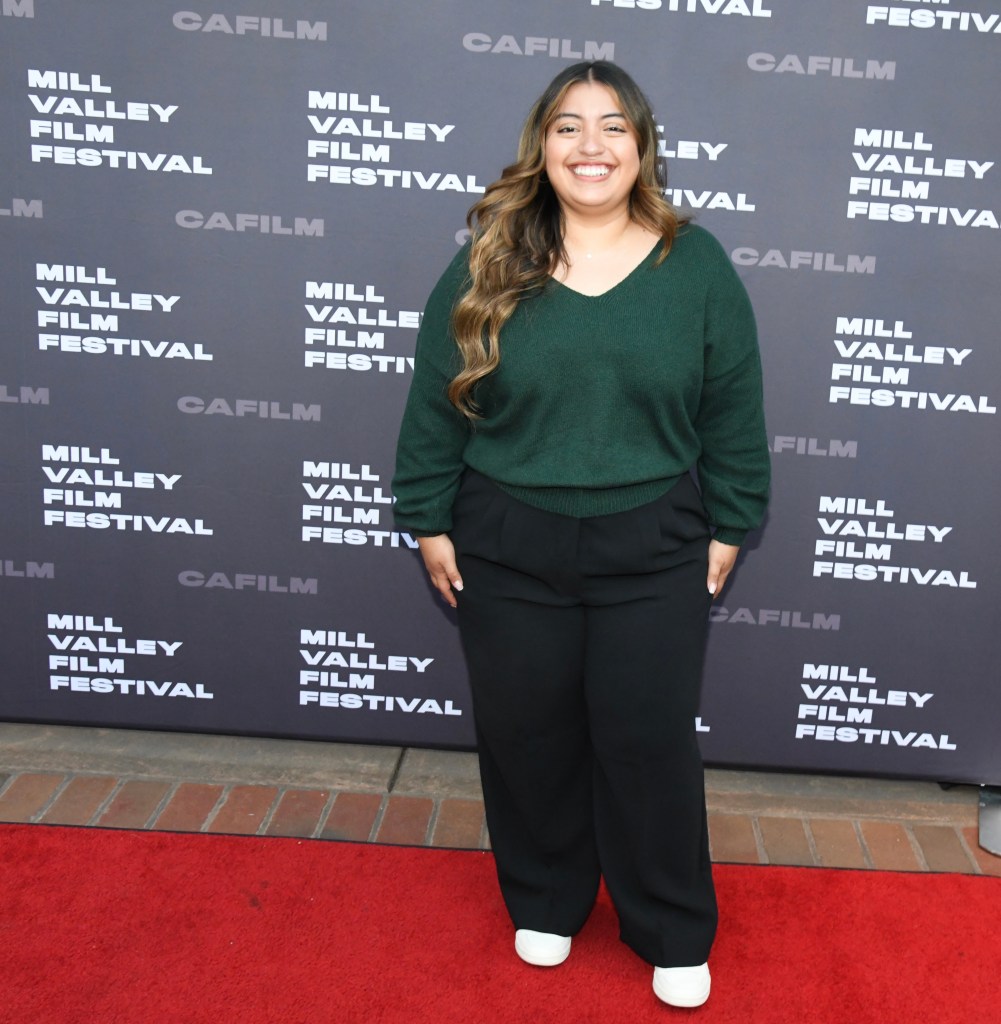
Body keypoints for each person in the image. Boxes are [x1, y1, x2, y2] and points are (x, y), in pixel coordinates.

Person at [392, 60, 769, 1009]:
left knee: (647, 742)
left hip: (653, 541)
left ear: (641, 146)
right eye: (568, 126)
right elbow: (435, 400)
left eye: (612, 126)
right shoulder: (488, 260)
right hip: (506, 539)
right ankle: (548, 899)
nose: (590, 145)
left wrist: (733, 518)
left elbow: (732, 406)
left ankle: (670, 927)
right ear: (542, 145)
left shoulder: (695, 265)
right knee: (527, 734)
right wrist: (426, 515)